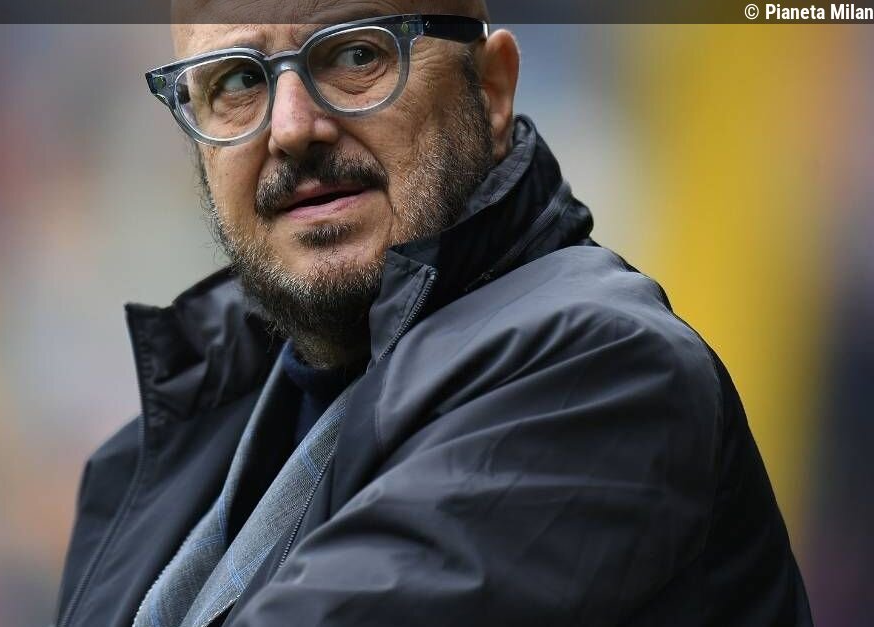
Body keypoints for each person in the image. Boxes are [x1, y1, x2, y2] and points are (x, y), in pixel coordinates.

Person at [54, 2, 813, 626]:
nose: (290, 126)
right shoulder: (142, 463)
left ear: (492, 89)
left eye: (356, 54)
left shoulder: (609, 372)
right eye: (237, 81)